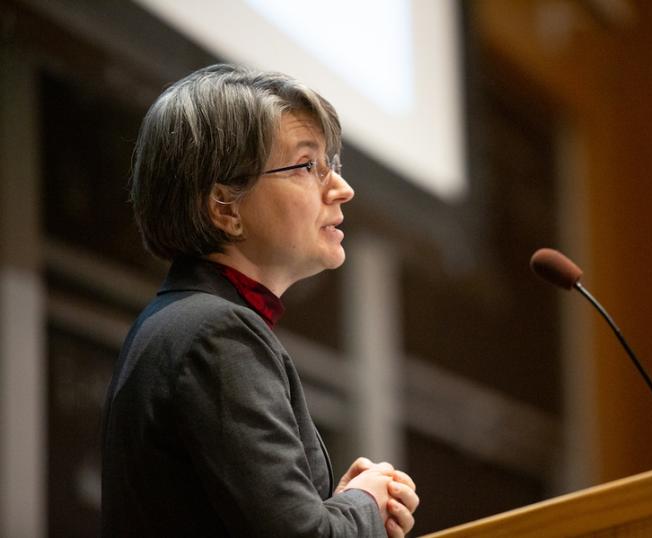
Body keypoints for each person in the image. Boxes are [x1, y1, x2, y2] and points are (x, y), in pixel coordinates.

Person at [102, 64, 418, 536]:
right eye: (308, 165)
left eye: (332, 164)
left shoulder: (186, 322)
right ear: (225, 207)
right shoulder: (216, 333)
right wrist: (365, 504)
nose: (342, 189)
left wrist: (340, 507)